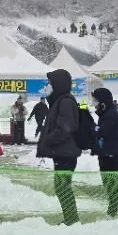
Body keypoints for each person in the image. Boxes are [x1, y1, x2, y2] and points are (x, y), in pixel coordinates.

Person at [37, 69, 81, 226]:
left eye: (50, 83)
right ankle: (70, 219)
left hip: (66, 154)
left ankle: (72, 220)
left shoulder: (66, 102)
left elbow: (65, 128)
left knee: (63, 188)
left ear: (58, 84)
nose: (48, 86)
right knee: (62, 187)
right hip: (63, 153)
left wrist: (48, 139)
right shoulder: (59, 101)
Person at [91, 88, 118, 217]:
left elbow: (102, 132)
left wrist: (90, 126)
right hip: (106, 155)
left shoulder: (110, 115)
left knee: (112, 185)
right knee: (109, 184)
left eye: (96, 101)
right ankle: (112, 210)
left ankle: (112, 212)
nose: (95, 104)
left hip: (111, 156)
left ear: (103, 103)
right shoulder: (105, 114)